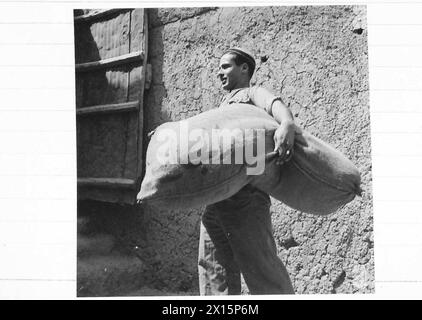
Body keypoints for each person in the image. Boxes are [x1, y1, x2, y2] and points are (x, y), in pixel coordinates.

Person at [197, 47, 296, 295]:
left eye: (225, 66)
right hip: (216, 198)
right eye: (219, 68)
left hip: (246, 197)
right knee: (212, 269)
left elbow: (276, 106)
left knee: (262, 269)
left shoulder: (253, 93)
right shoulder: (221, 106)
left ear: (244, 69)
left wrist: (287, 123)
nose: (219, 73)